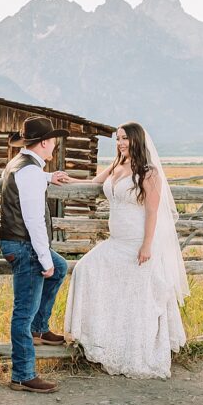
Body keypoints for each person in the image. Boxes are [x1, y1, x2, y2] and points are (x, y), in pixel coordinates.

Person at [63, 121, 189, 378]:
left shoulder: (149, 172)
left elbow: (153, 211)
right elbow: (93, 185)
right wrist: (67, 181)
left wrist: (146, 245)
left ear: (136, 141)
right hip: (116, 241)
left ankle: (137, 351)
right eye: (118, 139)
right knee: (85, 270)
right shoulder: (115, 166)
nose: (120, 143)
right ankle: (101, 339)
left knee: (137, 297)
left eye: (125, 139)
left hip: (137, 242)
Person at [0, 115, 73, 393]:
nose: (54, 146)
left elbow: (28, 182)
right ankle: (23, 374)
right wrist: (44, 260)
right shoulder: (28, 171)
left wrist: (48, 177)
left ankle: (39, 329)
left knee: (61, 266)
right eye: (52, 141)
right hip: (25, 244)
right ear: (43, 143)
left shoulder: (23, 166)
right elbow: (34, 221)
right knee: (23, 312)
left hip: (18, 242)